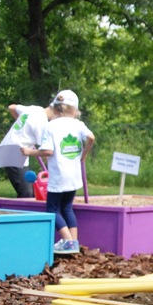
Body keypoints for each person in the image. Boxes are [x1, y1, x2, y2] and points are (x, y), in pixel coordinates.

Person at [21, 90, 95, 255]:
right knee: (67, 207)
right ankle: (74, 242)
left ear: (55, 108)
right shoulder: (78, 124)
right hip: (74, 175)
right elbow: (91, 137)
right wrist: (84, 154)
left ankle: (68, 241)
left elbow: (48, 151)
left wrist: (29, 152)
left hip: (59, 175)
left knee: (52, 208)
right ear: (74, 110)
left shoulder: (51, 126)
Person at [0, 101, 53, 198]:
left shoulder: (34, 108)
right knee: (26, 194)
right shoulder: (42, 122)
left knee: (31, 192)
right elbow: (45, 151)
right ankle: (20, 212)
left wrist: (23, 127)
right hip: (15, 152)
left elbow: (11, 107)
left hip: (8, 149)